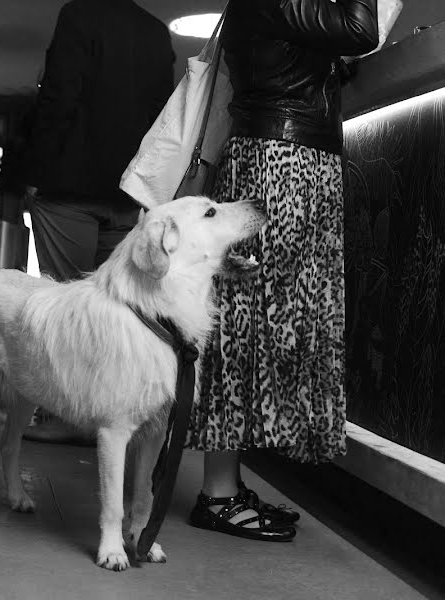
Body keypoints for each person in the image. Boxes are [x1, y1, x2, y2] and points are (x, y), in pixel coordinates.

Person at [187, 0, 378, 541]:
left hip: (294, 159)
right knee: (242, 325)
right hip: (280, 160)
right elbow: (359, 28)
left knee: (258, 324)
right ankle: (216, 494)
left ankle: (226, 485)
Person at [21, 0, 175, 443]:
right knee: (114, 312)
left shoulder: (78, 15)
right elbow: (162, 117)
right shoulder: (154, 30)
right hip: (128, 189)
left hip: (69, 182)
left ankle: (63, 418)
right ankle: (110, 419)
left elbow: (58, 96)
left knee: (65, 307)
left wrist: (36, 170)